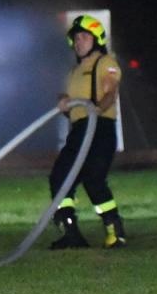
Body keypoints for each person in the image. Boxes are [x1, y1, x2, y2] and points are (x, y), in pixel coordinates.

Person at [48, 14, 126, 250]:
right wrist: (63, 101)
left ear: (96, 39)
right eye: (76, 38)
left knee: (94, 180)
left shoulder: (105, 63)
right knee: (60, 177)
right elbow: (73, 108)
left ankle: (114, 229)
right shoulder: (73, 72)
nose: (79, 41)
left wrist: (97, 108)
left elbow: (111, 93)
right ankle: (70, 232)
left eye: (84, 36)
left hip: (99, 129)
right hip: (79, 130)